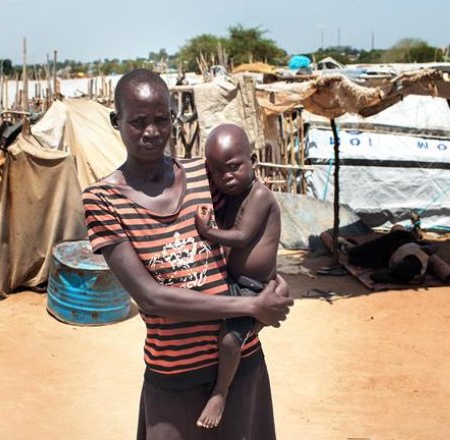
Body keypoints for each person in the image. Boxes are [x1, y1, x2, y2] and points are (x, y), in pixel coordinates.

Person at [81, 69, 293, 440]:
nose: (151, 132)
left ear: (173, 116)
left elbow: (256, 221)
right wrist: (249, 307)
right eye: (138, 122)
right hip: (174, 374)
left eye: (161, 119)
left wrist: (271, 281)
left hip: (241, 365)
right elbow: (152, 297)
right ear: (117, 121)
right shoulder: (103, 200)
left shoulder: (203, 175)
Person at [192, 124, 282, 429]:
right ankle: (255, 322)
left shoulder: (259, 195)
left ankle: (220, 392)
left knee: (230, 340)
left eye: (233, 168)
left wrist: (206, 231)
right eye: (218, 172)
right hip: (233, 282)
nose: (226, 176)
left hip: (252, 287)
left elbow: (242, 236)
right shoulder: (231, 193)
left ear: (253, 161)